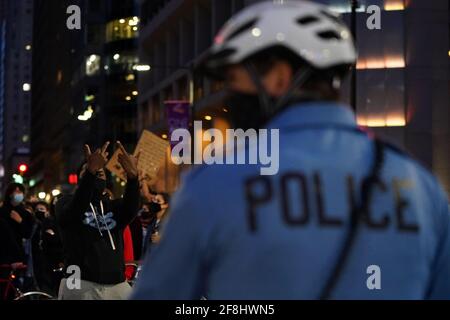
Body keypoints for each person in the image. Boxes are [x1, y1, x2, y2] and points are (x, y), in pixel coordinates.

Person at [131, 1, 450, 300]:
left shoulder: (217, 182)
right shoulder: (420, 186)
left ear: (280, 78)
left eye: (234, 80)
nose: (229, 96)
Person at [56, 141, 140, 300]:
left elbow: (131, 208)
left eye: (100, 174)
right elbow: (75, 210)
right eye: (90, 173)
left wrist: (133, 178)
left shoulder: (112, 206)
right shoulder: (65, 202)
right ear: (81, 179)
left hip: (117, 284)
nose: (96, 176)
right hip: (80, 283)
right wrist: (90, 172)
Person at [0, 183, 34, 264]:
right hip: (3, 252)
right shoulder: (2, 211)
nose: (19, 194)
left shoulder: (26, 214)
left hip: (18, 253)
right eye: (16, 191)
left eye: (20, 191)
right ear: (10, 194)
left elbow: (27, 234)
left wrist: (20, 221)